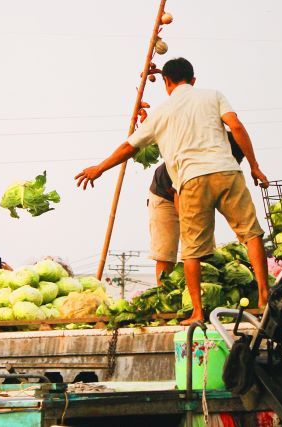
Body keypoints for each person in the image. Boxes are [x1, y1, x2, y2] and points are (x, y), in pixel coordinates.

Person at [75, 57, 270, 325]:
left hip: (191, 179)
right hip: (227, 171)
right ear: (193, 80)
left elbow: (129, 147)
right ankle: (264, 297)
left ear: (166, 83)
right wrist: (255, 167)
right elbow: (235, 127)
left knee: (191, 250)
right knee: (251, 233)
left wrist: (100, 168)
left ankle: (198, 313)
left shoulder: (161, 113)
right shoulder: (213, 95)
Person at [150, 133, 245, 284]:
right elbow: (178, 198)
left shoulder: (224, 169)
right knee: (166, 253)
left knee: (206, 252)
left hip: (195, 198)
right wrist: (190, 229)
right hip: (165, 196)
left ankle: (203, 292)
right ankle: (164, 294)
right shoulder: (193, 160)